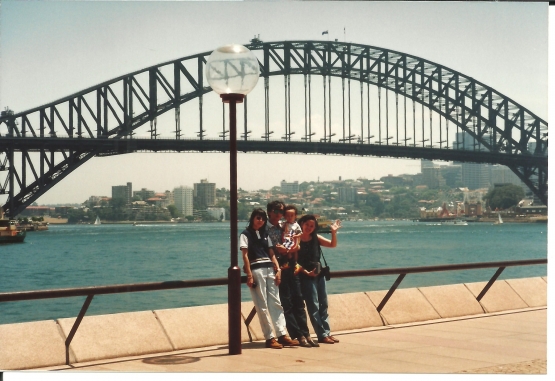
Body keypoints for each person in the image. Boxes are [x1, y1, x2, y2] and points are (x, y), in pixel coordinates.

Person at [240, 208, 299, 349]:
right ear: (252, 218)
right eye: (257, 218)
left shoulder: (266, 234)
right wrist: (249, 274)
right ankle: (269, 337)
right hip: (256, 269)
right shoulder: (245, 234)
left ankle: (282, 334)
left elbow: (272, 253)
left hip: (270, 268)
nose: (260, 221)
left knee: (276, 302)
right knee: (262, 305)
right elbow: (245, 256)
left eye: (262, 218)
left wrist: (278, 270)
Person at [266, 201, 316, 347]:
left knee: (299, 301)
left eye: (281, 212)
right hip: (279, 268)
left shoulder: (285, 226)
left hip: (292, 266)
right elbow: (268, 249)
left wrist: (289, 250)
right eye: (276, 211)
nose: (279, 214)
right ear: (269, 212)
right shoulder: (266, 229)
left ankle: (306, 334)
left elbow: (297, 245)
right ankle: (297, 334)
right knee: (286, 303)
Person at [297, 214, 342, 344]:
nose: (309, 228)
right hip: (306, 276)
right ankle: (321, 334)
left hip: (319, 274)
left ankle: (326, 332)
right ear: (301, 224)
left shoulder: (316, 238)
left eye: (312, 226)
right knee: (313, 305)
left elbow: (332, 245)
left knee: (323, 304)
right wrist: (305, 272)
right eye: (307, 225)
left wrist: (333, 232)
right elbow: (293, 259)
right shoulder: (297, 239)